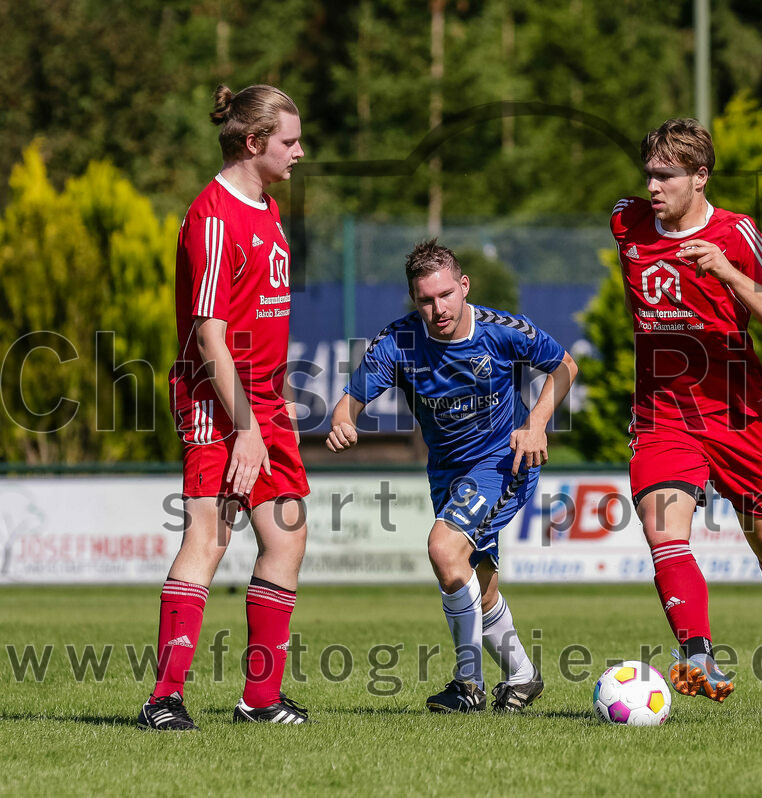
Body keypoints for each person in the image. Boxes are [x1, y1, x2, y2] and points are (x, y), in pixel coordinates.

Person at [611, 118, 762, 714]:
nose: (653, 186)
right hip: (663, 416)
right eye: (648, 174)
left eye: (667, 176)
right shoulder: (626, 222)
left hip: (737, 415)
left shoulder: (736, 234)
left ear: (700, 178)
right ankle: (696, 652)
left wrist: (729, 274)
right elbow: (628, 215)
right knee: (662, 529)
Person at [327, 240, 577, 713]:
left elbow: (565, 366)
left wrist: (536, 423)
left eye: (445, 294)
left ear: (464, 286)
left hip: (504, 463)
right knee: (474, 581)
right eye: (425, 299)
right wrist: (343, 420)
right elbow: (350, 400)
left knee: (443, 548)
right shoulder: (399, 342)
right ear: (414, 300)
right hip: (446, 474)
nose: (438, 308)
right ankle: (522, 677)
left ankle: (468, 686)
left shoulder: (502, 331)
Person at [137, 84, 311, 730]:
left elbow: (260, 322)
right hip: (219, 403)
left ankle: (261, 700)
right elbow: (209, 336)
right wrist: (245, 429)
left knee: (286, 538)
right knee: (208, 537)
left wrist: (273, 412)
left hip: (264, 405)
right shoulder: (214, 216)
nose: (299, 152)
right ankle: (163, 698)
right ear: (253, 142)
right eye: (289, 141)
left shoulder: (266, 209)